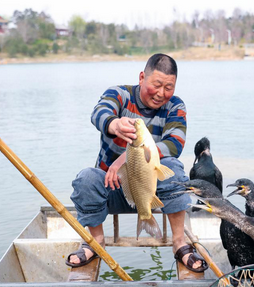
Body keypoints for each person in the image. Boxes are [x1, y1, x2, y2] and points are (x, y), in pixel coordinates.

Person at [66, 53, 208, 273]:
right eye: (156, 85)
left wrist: (128, 156)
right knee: (85, 179)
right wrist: (114, 124)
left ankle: (179, 242)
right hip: (112, 188)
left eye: (168, 87)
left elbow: (175, 144)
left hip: (151, 194)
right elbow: (99, 113)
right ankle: (96, 242)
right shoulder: (119, 94)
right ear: (142, 77)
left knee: (175, 170)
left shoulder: (175, 106)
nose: (161, 93)